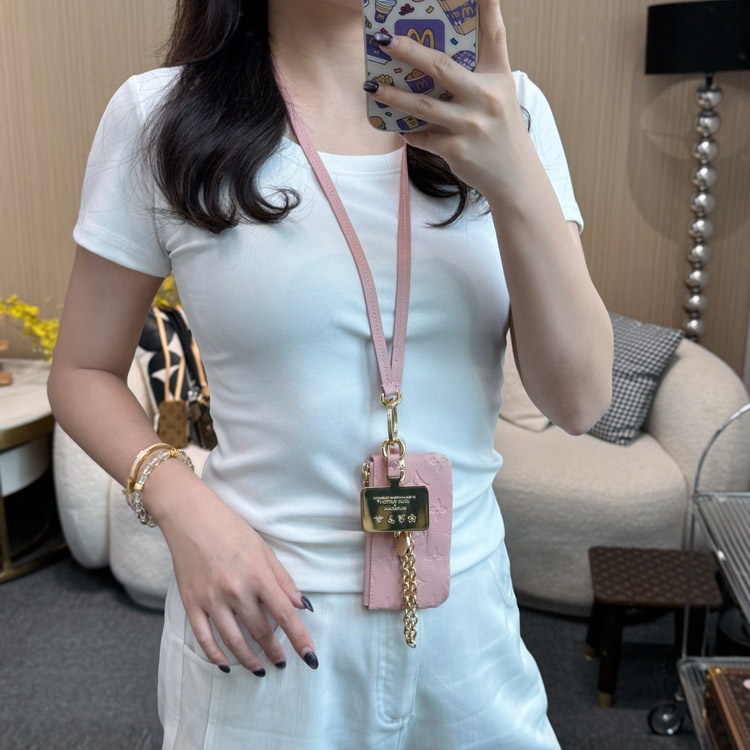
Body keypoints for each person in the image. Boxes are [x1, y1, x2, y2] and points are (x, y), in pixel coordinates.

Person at [49, 0, 613, 747]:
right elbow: (82, 370)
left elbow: (579, 400)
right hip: (266, 621)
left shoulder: (505, 110)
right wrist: (183, 507)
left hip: (468, 624)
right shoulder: (160, 116)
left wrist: (514, 173)